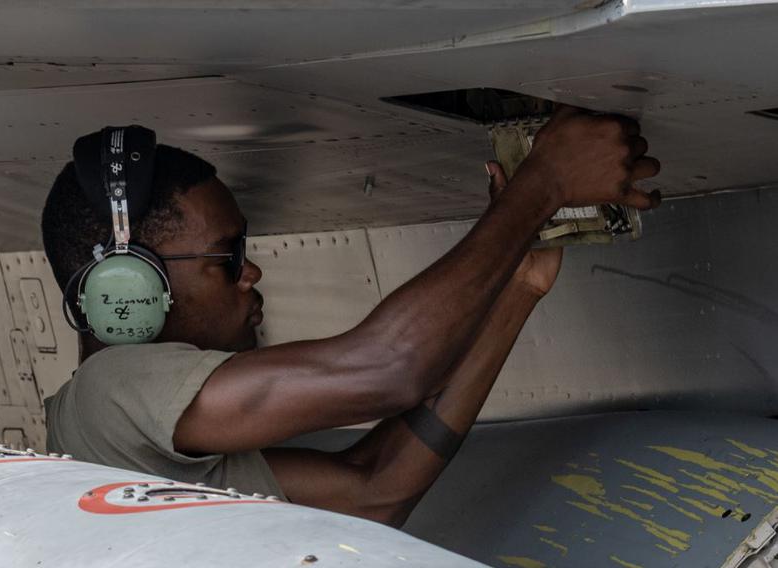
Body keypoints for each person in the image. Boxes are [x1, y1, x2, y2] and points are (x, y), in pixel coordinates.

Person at [42, 105, 660, 527]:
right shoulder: (113, 390)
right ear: (128, 290)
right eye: (228, 257)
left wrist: (514, 286)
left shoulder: (117, 431)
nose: (251, 273)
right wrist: (544, 184)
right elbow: (386, 367)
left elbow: (375, 488)